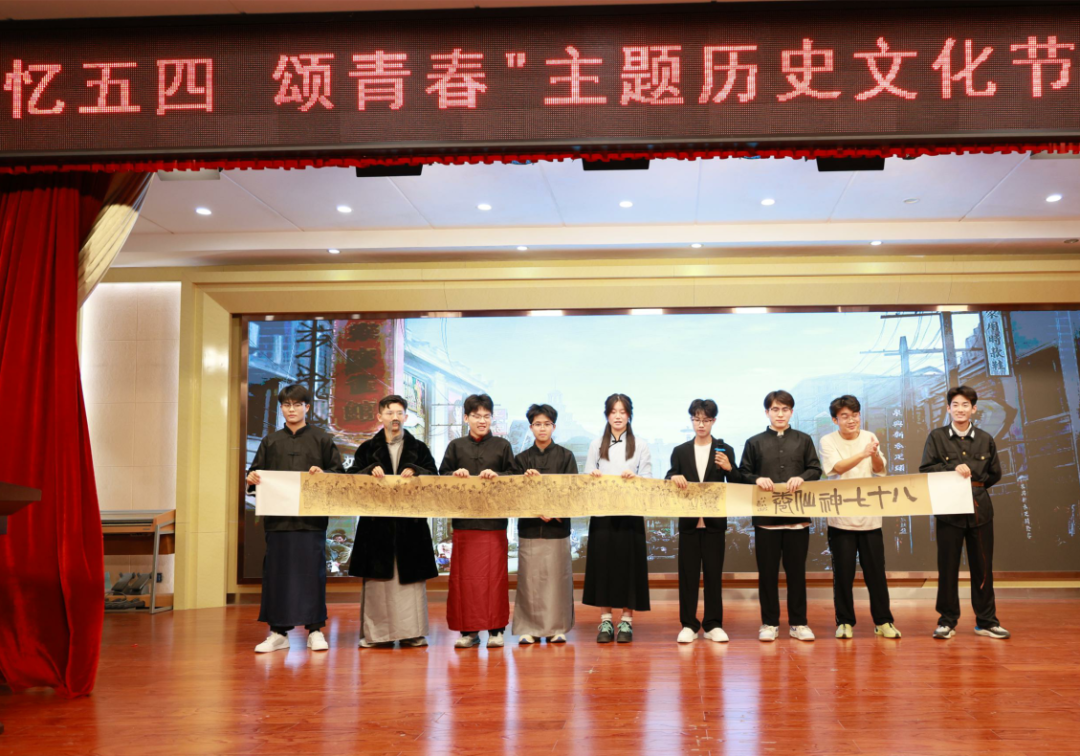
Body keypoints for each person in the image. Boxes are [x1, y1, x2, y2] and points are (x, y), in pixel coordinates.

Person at [246, 383, 343, 654]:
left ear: (307, 407)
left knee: (312, 574)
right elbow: (255, 475)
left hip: (311, 522)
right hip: (277, 522)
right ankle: (278, 632)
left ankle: (315, 630)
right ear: (281, 408)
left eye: (297, 405)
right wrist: (251, 478)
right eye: (287, 405)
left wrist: (324, 474)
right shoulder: (270, 441)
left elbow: (338, 474)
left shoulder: (322, 439)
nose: (292, 409)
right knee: (276, 574)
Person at [347, 394, 440, 648]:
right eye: (389, 413)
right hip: (376, 527)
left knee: (411, 583)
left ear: (406, 417)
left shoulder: (419, 448)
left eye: (399, 413)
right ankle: (377, 635)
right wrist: (369, 471)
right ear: (380, 417)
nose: (395, 417)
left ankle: (413, 633)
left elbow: (435, 478)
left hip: (411, 526)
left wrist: (417, 471)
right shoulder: (367, 448)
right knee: (379, 584)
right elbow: (351, 479)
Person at [919, 385, 1009, 640]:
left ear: (974, 409)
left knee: (983, 567)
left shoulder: (985, 438)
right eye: (955, 405)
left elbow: (994, 474)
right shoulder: (937, 436)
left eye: (965, 405)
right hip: (949, 510)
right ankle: (946, 621)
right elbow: (926, 469)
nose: (960, 409)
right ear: (948, 409)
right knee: (947, 567)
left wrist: (974, 489)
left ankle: (987, 621)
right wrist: (951, 471)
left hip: (981, 511)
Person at [738, 389, 822, 643]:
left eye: (785, 409)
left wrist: (802, 477)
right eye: (775, 409)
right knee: (767, 575)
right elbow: (743, 473)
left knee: (797, 574)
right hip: (766, 521)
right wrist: (756, 479)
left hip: (798, 519)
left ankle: (799, 623)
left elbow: (815, 469)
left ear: (791, 412)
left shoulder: (804, 440)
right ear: (767, 412)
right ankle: (769, 623)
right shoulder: (754, 442)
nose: (780, 414)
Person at [818, 395, 901, 640]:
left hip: (870, 518)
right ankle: (844, 622)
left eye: (855, 415)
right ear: (835, 420)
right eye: (844, 416)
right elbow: (836, 468)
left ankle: (883, 621)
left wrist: (873, 454)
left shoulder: (869, 436)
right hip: (840, 518)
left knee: (876, 573)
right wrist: (864, 453)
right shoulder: (827, 440)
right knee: (843, 574)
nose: (851, 420)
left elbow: (879, 469)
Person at [439, 394, 516, 649]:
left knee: (495, 579)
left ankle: (496, 630)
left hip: (494, 524)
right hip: (464, 523)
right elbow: (441, 476)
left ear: (491, 418)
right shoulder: (455, 446)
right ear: (466, 418)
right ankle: (469, 632)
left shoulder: (503, 446)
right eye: (476, 416)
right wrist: (454, 474)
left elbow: (515, 478)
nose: (482, 421)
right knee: (465, 580)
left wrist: (498, 475)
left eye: (486, 416)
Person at [666, 399, 740, 644]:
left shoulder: (724, 449)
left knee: (713, 576)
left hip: (714, 523)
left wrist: (729, 468)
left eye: (706, 420)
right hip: (689, 523)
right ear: (691, 420)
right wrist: (673, 477)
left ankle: (713, 624)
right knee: (688, 576)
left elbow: (738, 483)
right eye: (696, 419)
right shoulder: (680, 451)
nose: (701, 424)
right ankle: (688, 624)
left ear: (713, 421)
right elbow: (669, 477)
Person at [583, 393, 652, 644]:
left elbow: (648, 478)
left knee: (629, 566)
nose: (618, 416)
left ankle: (626, 620)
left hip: (630, 514)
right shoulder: (595, 444)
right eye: (613, 412)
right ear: (607, 415)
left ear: (629, 415)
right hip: (603, 513)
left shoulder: (640, 444)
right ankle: (605, 620)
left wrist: (636, 478)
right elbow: (586, 476)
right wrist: (593, 475)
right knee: (603, 565)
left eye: (623, 412)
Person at [511, 403, 579, 645]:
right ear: (531, 427)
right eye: (537, 424)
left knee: (557, 579)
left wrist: (553, 511)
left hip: (557, 527)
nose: (542, 428)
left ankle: (557, 628)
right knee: (529, 580)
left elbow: (572, 490)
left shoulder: (566, 456)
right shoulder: (521, 459)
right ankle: (528, 628)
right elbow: (514, 493)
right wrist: (536, 507)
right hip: (530, 527)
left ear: (554, 427)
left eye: (547, 424)